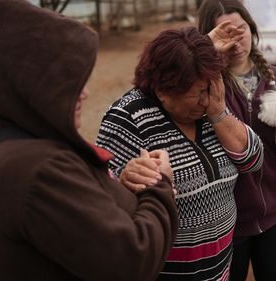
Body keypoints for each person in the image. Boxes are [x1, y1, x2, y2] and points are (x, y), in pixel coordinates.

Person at [0, 1, 178, 280]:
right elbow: (132, 260)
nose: (85, 93)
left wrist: (119, 188)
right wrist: (158, 184)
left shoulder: (1, 142)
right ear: (29, 84)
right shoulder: (40, 170)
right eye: (65, 80)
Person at [96, 26, 263, 281]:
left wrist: (219, 114)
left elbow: (253, 160)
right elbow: (102, 200)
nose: (206, 101)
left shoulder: (212, 104)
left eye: (209, 90)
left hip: (219, 271)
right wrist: (124, 181)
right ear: (163, 90)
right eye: (196, 95)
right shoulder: (127, 117)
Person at [198, 1, 276, 280]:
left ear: (252, 29)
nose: (236, 40)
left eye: (240, 29)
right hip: (226, 223)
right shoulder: (204, 87)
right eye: (225, 32)